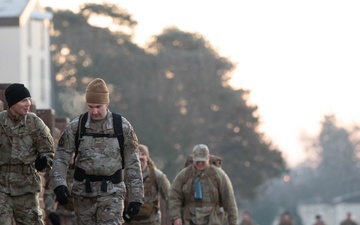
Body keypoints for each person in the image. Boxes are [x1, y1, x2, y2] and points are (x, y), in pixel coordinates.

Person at [50, 78, 144, 225]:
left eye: (98, 106)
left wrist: (136, 197)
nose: (94, 111)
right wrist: (59, 184)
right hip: (83, 195)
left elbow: (133, 163)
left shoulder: (122, 127)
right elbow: (61, 157)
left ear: (107, 103)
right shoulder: (76, 127)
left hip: (112, 193)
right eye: (90, 106)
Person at [0, 83, 54, 224]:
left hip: (26, 188)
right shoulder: (0, 122)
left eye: (29, 99)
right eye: (23, 100)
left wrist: (44, 162)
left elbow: (48, 151)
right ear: (12, 103)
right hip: (1, 188)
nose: (28, 103)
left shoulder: (35, 123)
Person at [169, 144, 238, 225]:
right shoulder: (184, 175)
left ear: (208, 158)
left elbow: (229, 201)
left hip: (212, 220)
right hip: (189, 220)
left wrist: (233, 223)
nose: (200, 163)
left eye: (203, 161)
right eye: (198, 161)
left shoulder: (219, 176)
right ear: (193, 159)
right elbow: (174, 196)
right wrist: (176, 217)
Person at [123, 144, 171, 225]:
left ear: (147, 158)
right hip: (130, 220)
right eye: (137, 154)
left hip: (151, 221)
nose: (140, 157)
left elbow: (169, 197)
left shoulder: (157, 175)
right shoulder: (125, 174)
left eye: (143, 154)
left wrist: (175, 217)